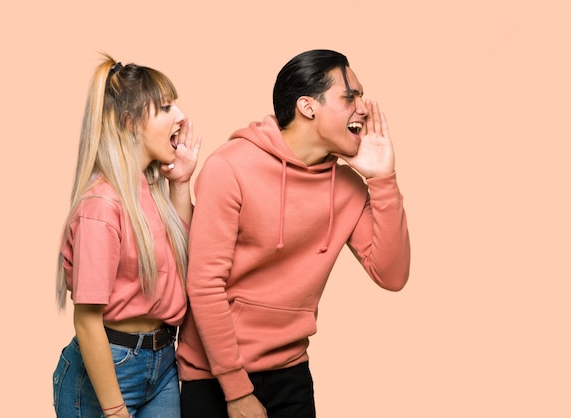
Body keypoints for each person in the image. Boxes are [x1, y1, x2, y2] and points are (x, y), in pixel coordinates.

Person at [176, 49, 411, 417]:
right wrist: (236, 392)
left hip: (290, 372)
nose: (363, 108)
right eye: (350, 96)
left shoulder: (347, 186)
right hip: (214, 376)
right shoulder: (230, 167)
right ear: (307, 106)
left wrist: (383, 180)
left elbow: (392, 275)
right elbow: (205, 285)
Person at [52, 54, 201, 418]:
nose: (180, 115)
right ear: (130, 122)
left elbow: (187, 262)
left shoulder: (150, 190)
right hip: (112, 366)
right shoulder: (101, 207)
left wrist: (180, 183)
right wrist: (116, 412)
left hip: (164, 361)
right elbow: (87, 322)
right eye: (165, 107)